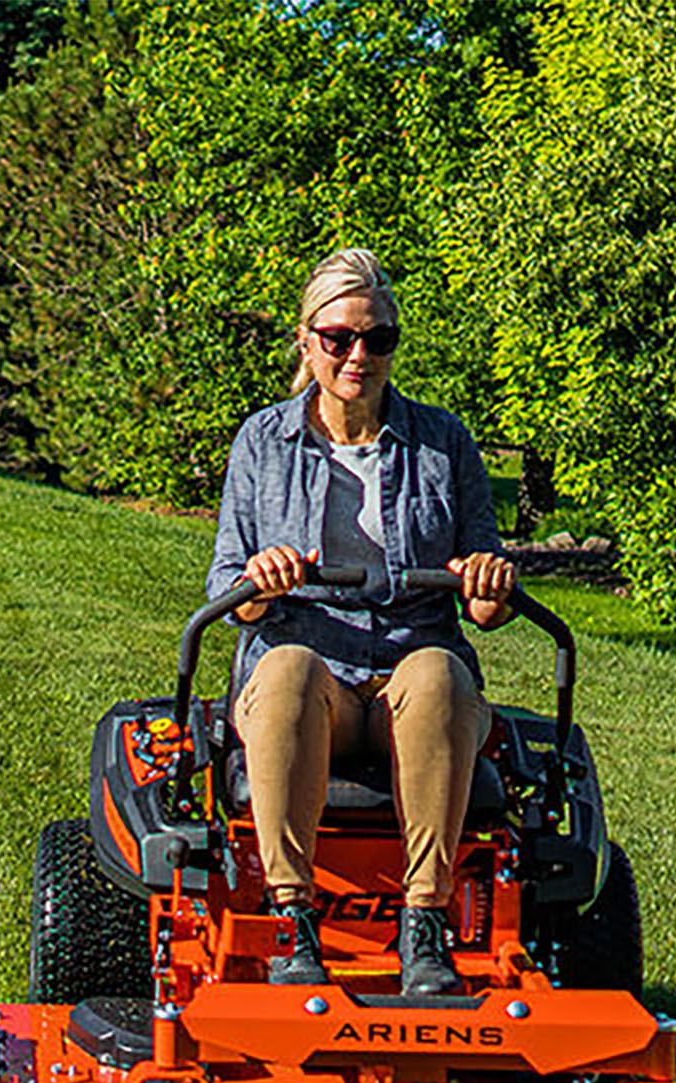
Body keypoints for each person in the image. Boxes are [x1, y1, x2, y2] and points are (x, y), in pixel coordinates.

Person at [207, 248, 515, 995]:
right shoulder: (262, 442)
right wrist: (262, 583)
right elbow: (227, 589)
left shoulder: (443, 443)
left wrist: (486, 583)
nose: (357, 356)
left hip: (411, 669)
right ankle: (292, 916)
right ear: (307, 341)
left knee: (441, 673)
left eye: (377, 339)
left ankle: (426, 924)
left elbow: (484, 603)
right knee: (283, 669)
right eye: (339, 338)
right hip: (311, 673)